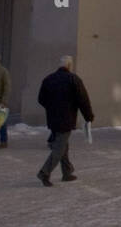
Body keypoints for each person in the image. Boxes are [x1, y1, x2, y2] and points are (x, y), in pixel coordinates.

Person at [36, 55, 94, 186]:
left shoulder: (48, 79)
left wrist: (51, 108)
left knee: (63, 145)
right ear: (69, 66)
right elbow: (83, 100)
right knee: (59, 148)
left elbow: (41, 99)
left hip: (52, 119)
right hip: (67, 118)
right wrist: (88, 116)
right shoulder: (73, 79)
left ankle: (67, 172)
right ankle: (44, 172)